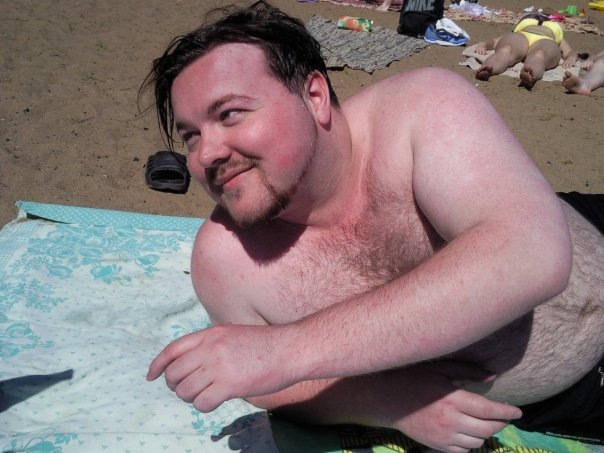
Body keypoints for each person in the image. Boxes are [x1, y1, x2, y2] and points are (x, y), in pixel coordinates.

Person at [142, 2, 604, 451]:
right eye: (191, 136)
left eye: (229, 114)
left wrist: (284, 350)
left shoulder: (417, 110)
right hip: (567, 404)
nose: (206, 155)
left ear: (314, 97)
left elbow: (529, 254)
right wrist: (383, 402)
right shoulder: (223, 261)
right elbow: (262, 382)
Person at [474, 14, 578, 89]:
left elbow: (570, 51)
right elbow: (495, 41)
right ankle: (488, 69)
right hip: (523, 35)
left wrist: (571, 58)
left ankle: (530, 75)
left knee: (539, 54)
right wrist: (484, 45)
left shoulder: (557, 36)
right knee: (506, 49)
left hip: (546, 39)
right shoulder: (521, 28)